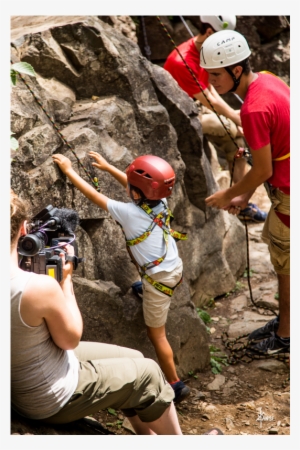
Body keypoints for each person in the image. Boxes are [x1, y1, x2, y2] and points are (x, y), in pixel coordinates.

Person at [10, 189, 183, 435]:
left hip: (24, 379)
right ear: (24, 230)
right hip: (46, 398)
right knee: (149, 373)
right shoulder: (38, 287)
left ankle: (148, 436)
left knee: (134, 357)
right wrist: (66, 280)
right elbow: (69, 340)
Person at [52, 152, 191, 404]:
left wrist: (70, 171)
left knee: (156, 334)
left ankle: (175, 383)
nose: (129, 188)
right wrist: (107, 168)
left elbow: (94, 196)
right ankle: (147, 289)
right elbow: (136, 187)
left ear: (139, 192)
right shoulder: (160, 202)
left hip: (160, 280)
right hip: (170, 268)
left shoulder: (128, 211)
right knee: (148, 283)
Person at [201, 30, 290, 355]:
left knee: (285, 263)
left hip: (289, 191)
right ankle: (286, 319)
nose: (211, 80)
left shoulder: (253, 109)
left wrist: (230, 194)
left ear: (235, 70)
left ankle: (285, 336)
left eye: (215, 74)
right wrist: (245, 196)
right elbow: (268, 125)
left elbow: (264, 169)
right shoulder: (267, 79)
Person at [164, 15, 267, 223]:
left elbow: (210, 89)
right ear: (210, 33)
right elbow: (207, 99)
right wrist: (235, 120)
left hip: (197, 107)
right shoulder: (181, 60)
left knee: (236, 141)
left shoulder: (205, 52)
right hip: (179, 116)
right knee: (233, 128)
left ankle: (240, 201)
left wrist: (233, 115)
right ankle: (236, 198)